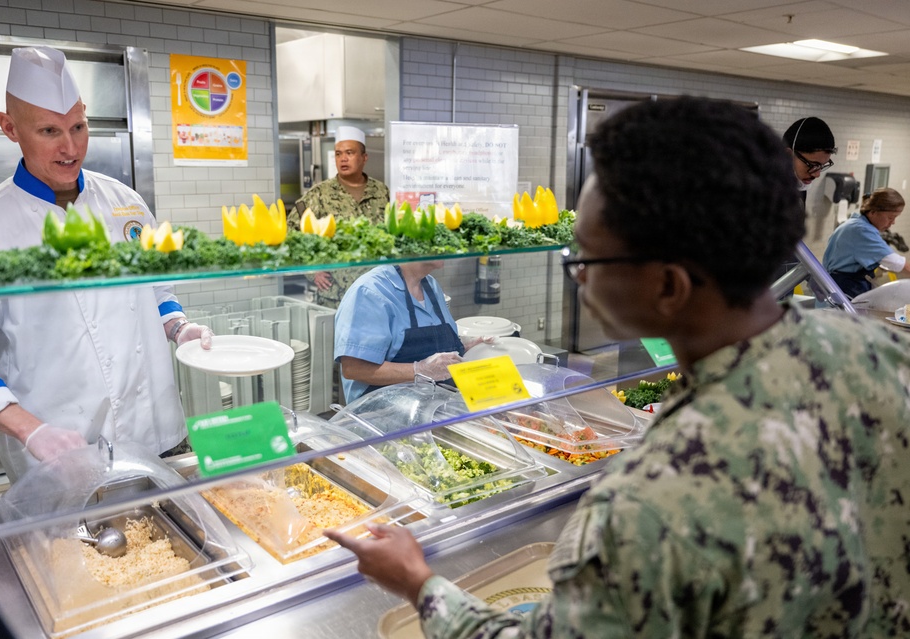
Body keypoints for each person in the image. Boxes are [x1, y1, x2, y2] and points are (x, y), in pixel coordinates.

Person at [325, 96, 910, 636]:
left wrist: (419, 585)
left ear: (668, 286)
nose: (578, 276)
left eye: (588, 257)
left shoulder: (651, 502)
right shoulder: (878, 351)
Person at [0, 46, 212, 483]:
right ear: (9, 127)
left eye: (78, 127)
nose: (71, 147)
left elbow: (157, 290)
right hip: (60, 456)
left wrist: (177, 327)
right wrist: (31, 430)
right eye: (49, 131)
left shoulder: (126, 203)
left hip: (159, 434)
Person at [333, 262, 491, 403]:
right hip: (382, 414)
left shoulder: (431, 286)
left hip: (435, 407)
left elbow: (432, 351)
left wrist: (464, 349)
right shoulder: (370, 291)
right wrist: (420, 370)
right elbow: (354, 368)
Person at [288, 126, 390, 309]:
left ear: (364, 157)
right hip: (336, 296)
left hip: (377, 291)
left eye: (350, 153)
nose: (343, 158)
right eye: (338, 154)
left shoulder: (381, 191)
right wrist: (312, 270)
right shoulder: (320, 194)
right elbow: (292, 232)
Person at [822, 187, 908, 298]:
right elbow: (897, 264)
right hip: (843, 291)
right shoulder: (862, 231)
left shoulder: (855, 223)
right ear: (873, 212)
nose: (893, 222)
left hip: (839, 289)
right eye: (890, 217)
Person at [782, 115, 837, 196]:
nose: (817, 174)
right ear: (788, 155)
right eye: (813, 165)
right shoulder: (766, 193)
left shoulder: (799, 185)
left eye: (821, 166)